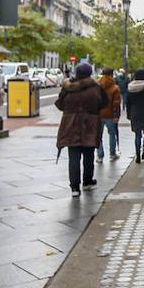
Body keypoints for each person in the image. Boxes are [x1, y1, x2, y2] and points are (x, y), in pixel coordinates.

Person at [55, 62, 108, 197]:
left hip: (70, 125)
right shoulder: (96, 87)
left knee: (73, 156)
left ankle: (74, 187)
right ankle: (87, 181)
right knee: (88, 154)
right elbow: (104, 102)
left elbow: (60, 104)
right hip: (89, 124)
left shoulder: (68, 87)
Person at [96, 67, 122, 162]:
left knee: (98, 136)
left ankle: (100, 155)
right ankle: (112, 154)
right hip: (110, 114)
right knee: (112, 134)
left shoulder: (97, 85)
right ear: (112, 74)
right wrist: (116, 115)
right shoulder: (114, 87)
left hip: (98, 114)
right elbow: (116, 103)